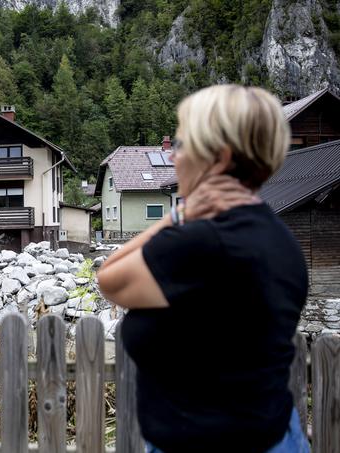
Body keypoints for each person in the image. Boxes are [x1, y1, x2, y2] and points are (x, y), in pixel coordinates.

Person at [96, 85, 310, 453]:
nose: (174, 159)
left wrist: (177, 215)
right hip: (275, 434)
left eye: (182, 145)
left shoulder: (202, 241)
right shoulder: (280, 239)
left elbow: (109, 278)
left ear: (220, 158)